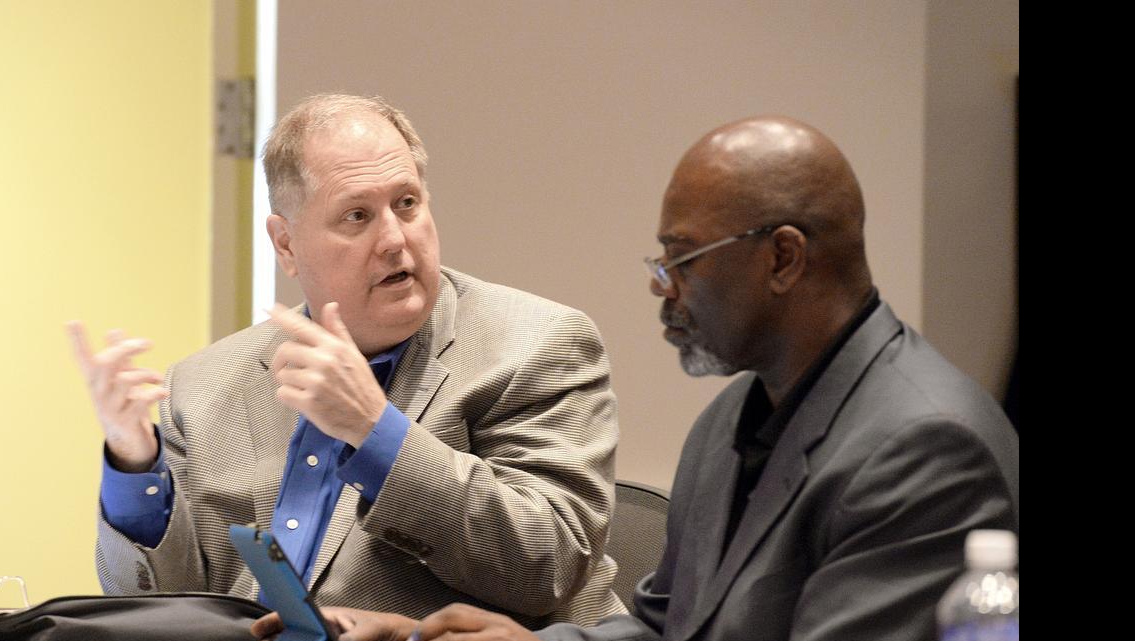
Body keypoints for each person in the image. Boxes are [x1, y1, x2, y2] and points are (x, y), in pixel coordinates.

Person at [266, 115, 1020, 641]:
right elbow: (663, 629)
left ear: (783, 259)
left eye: (683, 259)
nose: (663, 286)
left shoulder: (925, 448)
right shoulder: (733, 419)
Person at [67, 93, 625, 628]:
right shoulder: (204, 387)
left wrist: (375, 430)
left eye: (407, 203)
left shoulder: (536, 343)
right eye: (357, 216)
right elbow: (160, 611)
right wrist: (134, 463)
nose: (394, 239)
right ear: (286, 245)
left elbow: (548, 565)